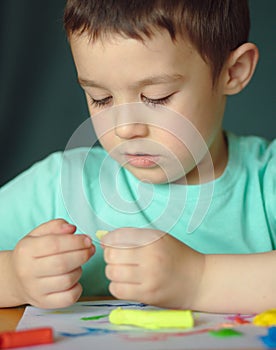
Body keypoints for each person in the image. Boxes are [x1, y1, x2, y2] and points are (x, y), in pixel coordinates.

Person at [0, 0, 275, 313]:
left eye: (156, 98)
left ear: (233, 71)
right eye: (100, 99)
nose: (125, 128)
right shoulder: (58, 186)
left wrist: (199, 280)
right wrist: (13, 277)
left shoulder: (267, 181)